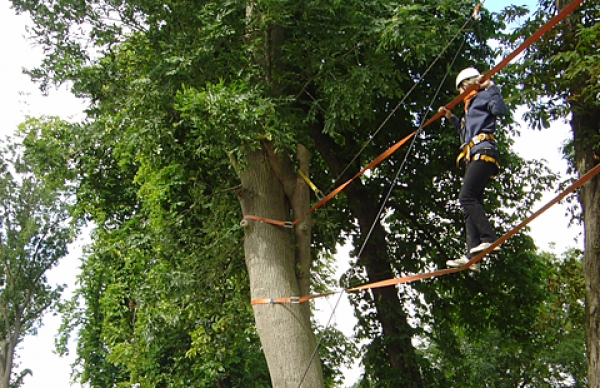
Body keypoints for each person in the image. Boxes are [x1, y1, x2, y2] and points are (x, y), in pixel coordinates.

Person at [438, 67, 507, 271]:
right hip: (471, 154)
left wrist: (491, 88)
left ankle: (489, 238)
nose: (460, 94)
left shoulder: (484, 96)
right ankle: (471, 255)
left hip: (483, 151)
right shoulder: (468, 109)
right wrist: (450, 117)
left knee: (466, 197)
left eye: (462, 88)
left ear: (470, 83)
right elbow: (464, 131)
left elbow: (500, 110)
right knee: (469, 205)